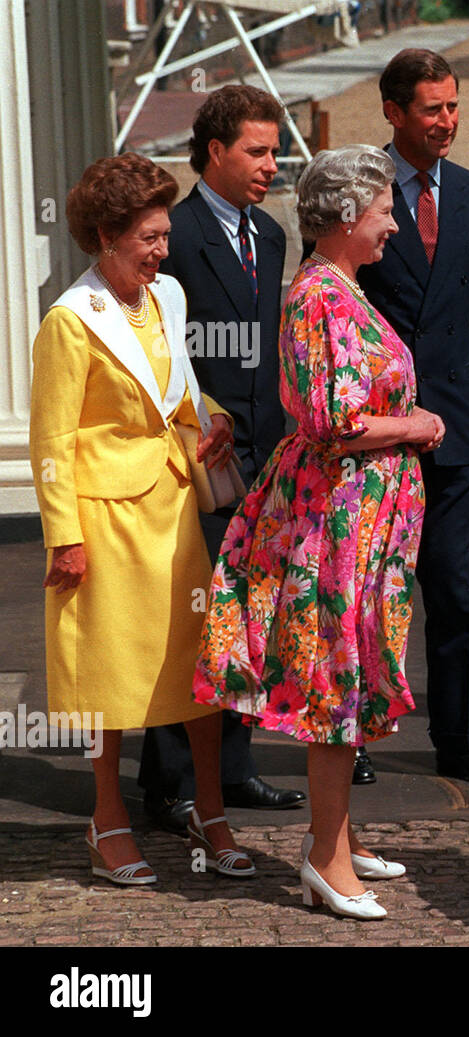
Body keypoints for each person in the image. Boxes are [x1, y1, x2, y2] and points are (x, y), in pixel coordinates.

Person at [194, 145, 442, 919]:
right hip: (337, 522)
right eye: (381, 213)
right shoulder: (322, 298)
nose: (393, 227)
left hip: (362, 520)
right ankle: (328, 859)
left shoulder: (343, 289)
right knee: (333, 682)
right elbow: (335, 421)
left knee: (353, 674)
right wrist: (418, 423)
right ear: (343, 218)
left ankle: (337, 835)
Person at [30, 153, 252, 885]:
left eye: (164, 235)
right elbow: (52, 442)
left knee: (198, 666)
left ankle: (209, 807)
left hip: (173, 504)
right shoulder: (70, 321)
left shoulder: (169, 297)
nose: (163, 249)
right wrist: (63, 537)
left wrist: (213, 421)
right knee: (112, 671)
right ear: (105, 234)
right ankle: (107, 816)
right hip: (103, 518)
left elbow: (180, 393)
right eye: (148, 238)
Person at [139, 84, 306, 833]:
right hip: (195, 462)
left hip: (265, 463)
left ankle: (232, 771)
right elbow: (160, 353)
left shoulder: (270, 238)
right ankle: (167, 780)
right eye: (258, 151)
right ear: (215, 152)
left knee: (250, 619)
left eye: (275, 150)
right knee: (193, 623)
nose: (273, 164)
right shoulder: (168, 236)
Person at [354, 48, 469, 785]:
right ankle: (345, 741)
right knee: (362, 590)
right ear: (393, 111)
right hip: (372, 432)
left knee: (454, 586)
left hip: (454, 427)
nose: (446, 121)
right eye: (430, 108)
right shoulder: (359, 190)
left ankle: (460, 738)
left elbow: (457, 304)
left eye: (453, 106)